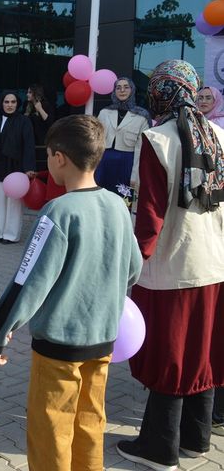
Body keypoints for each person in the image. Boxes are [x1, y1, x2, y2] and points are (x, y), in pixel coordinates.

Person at [0, 114, 143, 471]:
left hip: (58, 348)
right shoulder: (118, 205)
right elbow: (134, 269)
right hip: (103, 341)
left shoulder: (57, 211)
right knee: (90, 424)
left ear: (59, 158)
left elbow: (28, 282)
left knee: (51, 430)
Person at [116, 60, 224, 471]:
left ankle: (160, 447)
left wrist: (130, 266)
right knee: (203, 351)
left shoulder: (156, 139)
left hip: (173, 267)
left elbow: (150, 214)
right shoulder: (218, 135)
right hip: (216, 263)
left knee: (171, 354)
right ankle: (196, 440)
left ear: (160, 91)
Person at [0, 91, 35, 244]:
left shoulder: (24, 121)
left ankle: (11, 234)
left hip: (17, 164)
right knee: (0, 199)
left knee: (14, 201)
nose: (9, 105)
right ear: (1, 103)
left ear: (17, 103)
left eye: (13, 102)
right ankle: (0, 231)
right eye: (6, 102)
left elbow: (29, 145)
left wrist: (29, 167)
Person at [95, 77, 150, 200]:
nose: (122, 90)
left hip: (127, 163)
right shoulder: (104, 112)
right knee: (101, 198)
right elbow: (95, 140)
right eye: (118, 87)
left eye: (126, 87)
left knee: (123, 201)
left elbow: (142, 149)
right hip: (104, 162)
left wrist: (136, 175)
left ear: (132, 90)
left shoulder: (142, 116)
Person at [24, 84, 55, 171]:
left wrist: (40, 109)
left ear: (36, 94)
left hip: (42, 142)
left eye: (30, 92)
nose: (27, 94)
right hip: (30, 141)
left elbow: (49, 122)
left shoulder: (46, 105)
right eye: (27, 92)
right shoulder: (27, 106)